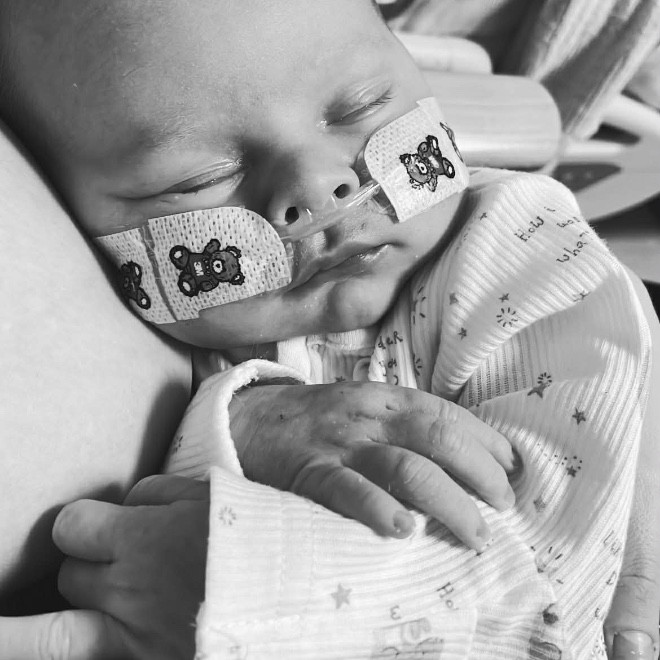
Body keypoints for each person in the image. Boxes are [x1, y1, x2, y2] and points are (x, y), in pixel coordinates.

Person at [0, 0, 658, 658]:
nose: (319, 188)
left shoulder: (529, 258)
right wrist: (237, 425)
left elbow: (572, 586)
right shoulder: (184, 331)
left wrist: (272, 601)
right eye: (201, 179)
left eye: (361, 105)